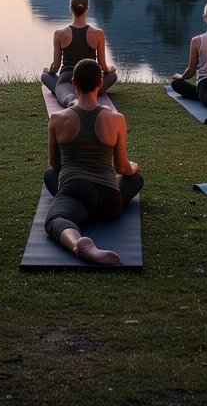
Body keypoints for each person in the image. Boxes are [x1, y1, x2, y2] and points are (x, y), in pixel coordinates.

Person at [44, 58, 143, 265]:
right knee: (136, 179)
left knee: (55, 216)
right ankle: (86, 212)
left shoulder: (57, 119)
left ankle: (76, 243)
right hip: (109, 201)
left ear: (74, 83)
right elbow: (122, 168)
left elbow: (55, 166)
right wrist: (133, 166)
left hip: (76, 192)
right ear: (100, 84)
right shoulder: (117, 119)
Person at [41, 0, 118, 108]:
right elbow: (102, 66)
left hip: (67, 78)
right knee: (113, 76)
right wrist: (109, 69)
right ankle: (88, 98)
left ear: (71, 8)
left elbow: (55, 67)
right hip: (90, 79)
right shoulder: (98, 34)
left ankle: (72, 100)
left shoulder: (60, 34)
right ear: (87, 8)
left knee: (45, 76)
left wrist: (49, 70)